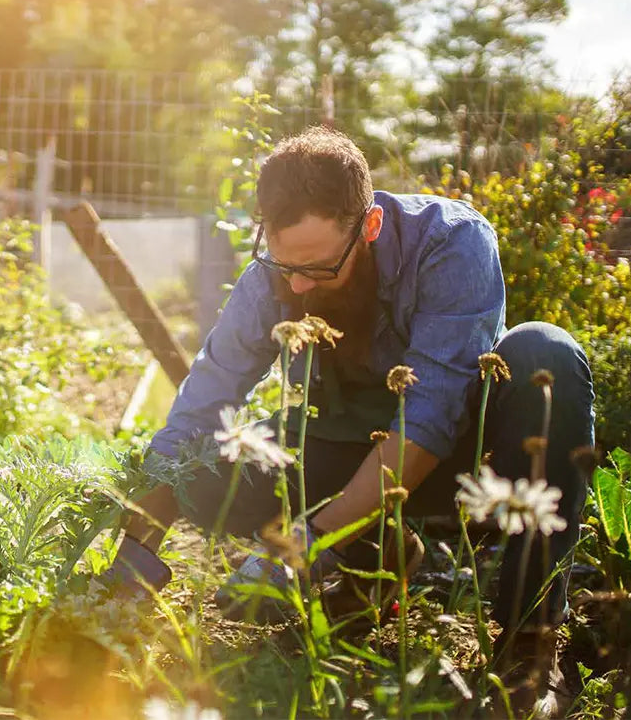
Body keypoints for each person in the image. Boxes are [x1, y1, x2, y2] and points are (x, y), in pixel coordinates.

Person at [98, 126, 594, 708]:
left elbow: (430, 418)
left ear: (371, 227)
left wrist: (307, 543)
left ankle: (529, 649)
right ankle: (375, 561)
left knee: (547, 356)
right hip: (346, 450)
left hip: (465, 462)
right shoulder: (274, 276)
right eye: (286, 266)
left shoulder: (451, 243)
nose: (300, 285)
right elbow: (201, 404)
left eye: (321, 270)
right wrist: (135, 547)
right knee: (205, 468)